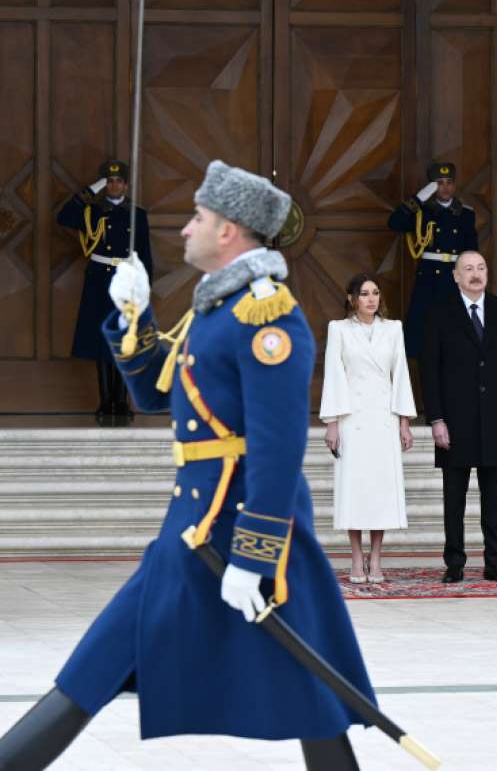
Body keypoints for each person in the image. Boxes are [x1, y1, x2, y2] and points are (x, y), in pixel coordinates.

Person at [0, 160, 374, 770]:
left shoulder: (267, 317)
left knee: (311, 692)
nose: (184, 230)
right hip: (191, 535)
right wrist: (134, 315)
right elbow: (155, 391)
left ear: (228, 230)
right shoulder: (216, 310)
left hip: (242, 533)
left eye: (197, 218)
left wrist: (253, 556)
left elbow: (278, 451)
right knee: (90, 670)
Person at [421, 250, 497, 583]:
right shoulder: (438, 313)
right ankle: (454, 563)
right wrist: (436, 419)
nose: (475, 273)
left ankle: (495, 562)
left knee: (493, 498)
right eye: (468, 269)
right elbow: (430, 371)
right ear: (456, 276)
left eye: (481, 267)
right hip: (455, 421)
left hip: (496, 420)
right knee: (454, 498)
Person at [320, 273, 416, 584]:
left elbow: (400, 375)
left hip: (384, 420)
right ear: (352, 299)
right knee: (354, 490)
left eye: (375, 293)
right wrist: (332, 424)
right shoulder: (339, 329)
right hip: (353, 420)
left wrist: (404, 422)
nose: (371, 299)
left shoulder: (393, 329)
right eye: (364, 294)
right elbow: (334, 375)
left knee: (380, 491)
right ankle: (356, 557)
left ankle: (376, 558)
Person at [55, 159, 153, 425]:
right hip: (100, 282)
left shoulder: (137, 214)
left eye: (119, 181)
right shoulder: (93, 211)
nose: (114, 185)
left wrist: (143, 289)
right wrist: (92, 189)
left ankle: (122, 401)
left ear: (126, 184)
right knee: (102, 343)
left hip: (126, 281)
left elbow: (145, 254)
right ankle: (105, 401)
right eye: (109, 181)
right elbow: (64, 217)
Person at [387, 161, 479, 359]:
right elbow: (394, 223)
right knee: (425, 333)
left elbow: (472, 251)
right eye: (439, 183)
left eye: (449, 182)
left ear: (454, 185)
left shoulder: (466, 214)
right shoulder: (422, 211)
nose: (445, 187)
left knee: (456, 335)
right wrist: (417, 199)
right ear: (431, 186)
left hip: (456, 277)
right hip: (429, 278)